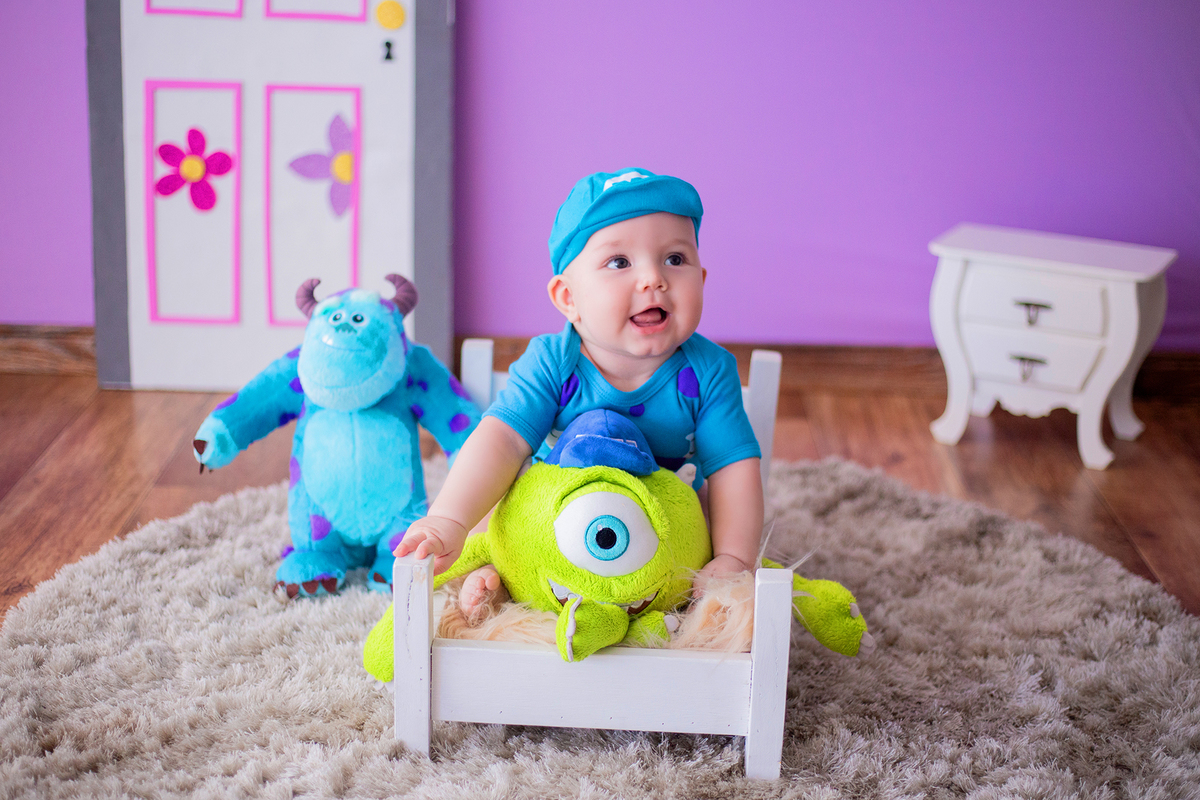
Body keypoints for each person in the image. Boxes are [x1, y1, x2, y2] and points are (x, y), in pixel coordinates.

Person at [395, 168, 764, 616]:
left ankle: (672, 593)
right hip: (564, 504)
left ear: (702, 279)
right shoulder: (554, 360)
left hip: (663, 518)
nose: (653, 279)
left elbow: (732, 468)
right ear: (568, 298)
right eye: (620, 263)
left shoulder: (708, 370)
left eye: (675, 259)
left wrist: (734, 558)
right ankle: (502, 575)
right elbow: (503, 439)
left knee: (710, 519)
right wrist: (450, 518)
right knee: (508, 503)